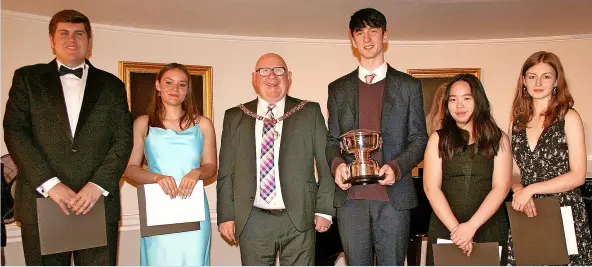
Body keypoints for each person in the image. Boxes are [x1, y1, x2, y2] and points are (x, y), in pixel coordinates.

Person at [3, 9, 133, 265]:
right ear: (52, 40)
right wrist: (51, 184)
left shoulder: (112, 85)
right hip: (41, 202)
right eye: (63, 33)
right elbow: (15, 132)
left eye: (79, 34)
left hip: (96, 203)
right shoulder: (27, 79)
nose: (71, 40)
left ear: (89, 41)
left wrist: (97, 186)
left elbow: (123, 139)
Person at [326, 8, 428, 265]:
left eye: (374, 31)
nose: (367, 38)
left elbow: (419, 138)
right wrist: (337, 166)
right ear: (353, 40)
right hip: (351, 201)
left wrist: (396, 167)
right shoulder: (337, 88)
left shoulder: (409, 86)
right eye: (360, 32)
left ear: (385, 36)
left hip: (394, 199)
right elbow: (332, 141)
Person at [216, 53, 335, 265]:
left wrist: (325, 209)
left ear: (289, 77)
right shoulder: (235, 116)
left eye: (278, 70)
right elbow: (226, 170)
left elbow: (326, 164)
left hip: (299, 217)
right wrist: (226, 215)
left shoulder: (309, 112)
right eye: (264, 70)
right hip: (252, 219)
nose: (272, 76)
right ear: (254, 77)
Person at [123, 63, 217, 266]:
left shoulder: (203, 124)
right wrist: (156, 177)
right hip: (158, 208)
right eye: (169, 83)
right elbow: (130, 169)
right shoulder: (143, 123)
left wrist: (197, 172)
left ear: (187, 91)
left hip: (193, 208)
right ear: (158, 86)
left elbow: (211, 167)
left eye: (182, 84)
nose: (175, 89)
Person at [507, 51, 592, 265]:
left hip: (564, 210)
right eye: (532, 75)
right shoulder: (516, 122)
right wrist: (519, 191)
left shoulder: (569, 117)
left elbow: (578, 175)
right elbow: (513, 171)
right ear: (523, 81)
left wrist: (531, 189)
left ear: (556, 81)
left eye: (546, 76)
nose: (538, 82)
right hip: (526, 209)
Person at [423, 74, 512, 265]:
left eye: (466, 98)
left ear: (478, 100)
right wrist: (458, 231)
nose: (459, 105)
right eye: (453, 99)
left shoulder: (500, 139)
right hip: (446, 228)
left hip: (488, 227)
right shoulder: (437, 139)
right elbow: (432, 188)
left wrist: (470, 227)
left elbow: (501, 187)